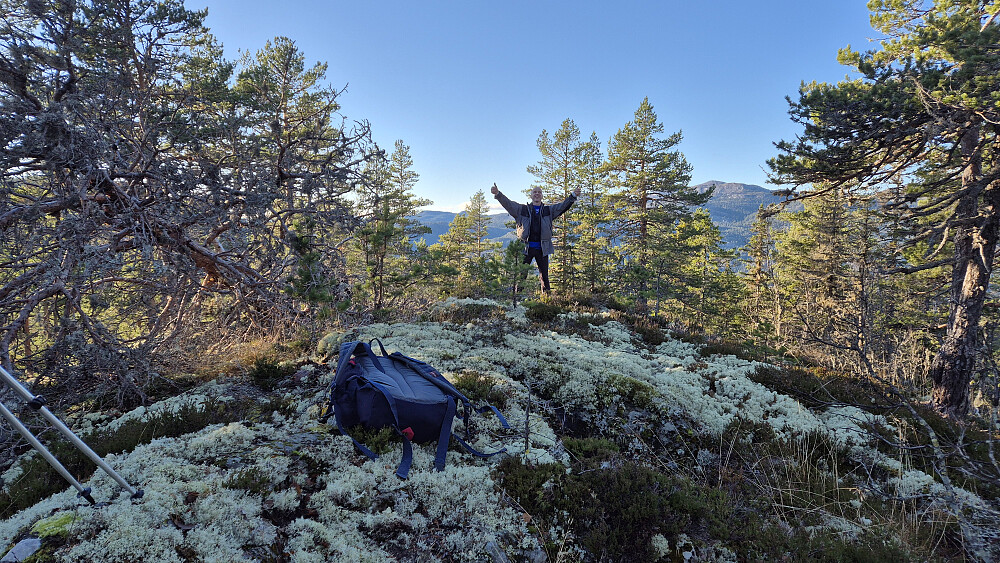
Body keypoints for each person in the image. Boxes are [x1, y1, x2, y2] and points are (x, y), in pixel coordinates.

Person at [491, 182, 580, 293]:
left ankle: (547, 299)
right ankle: (517, 297)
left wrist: (573, 196)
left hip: (542, 248)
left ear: (542, 196)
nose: (537, 194)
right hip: (525, 248)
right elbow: (508, 204)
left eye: (539, 192)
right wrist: (498, 194)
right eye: (535, 192)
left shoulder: (548, 211)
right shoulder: (521, 210)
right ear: (531, 195)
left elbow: (562, 207)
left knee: (544, 277)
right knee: (521, 276)